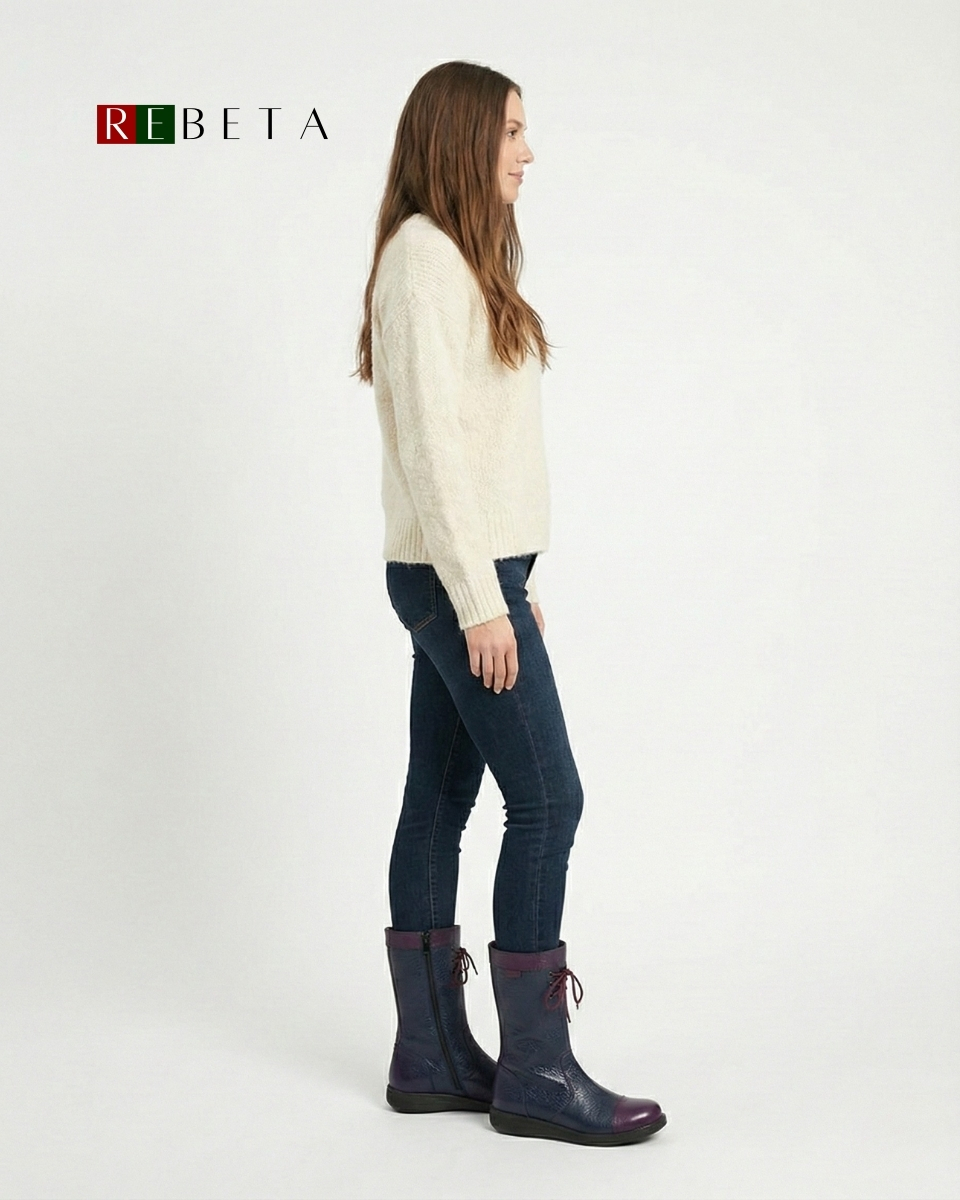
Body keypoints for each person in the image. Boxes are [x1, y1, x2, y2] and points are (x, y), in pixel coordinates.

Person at [354, 60, 666, 1147]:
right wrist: (481, 597)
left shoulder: (455, 256)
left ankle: (432, 1059)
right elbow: (433, 452)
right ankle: (534, 1072)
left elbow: (480, 452)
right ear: (461, 138)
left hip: (479, 574)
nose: (528, 152)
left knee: (440, 799)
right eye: (512, 131)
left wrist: (510, 587)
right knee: (548, 801)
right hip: (458, 576)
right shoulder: (422, 260)